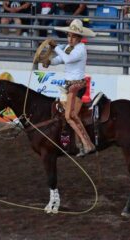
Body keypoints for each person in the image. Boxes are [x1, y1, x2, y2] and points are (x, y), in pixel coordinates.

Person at [42, 19, 96, 157]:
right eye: (69, 35)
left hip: (76, 86)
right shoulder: (68, 48)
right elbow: (59, 60)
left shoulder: (80, 49)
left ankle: (88, 144)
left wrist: (56, 48)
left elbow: (67, 59)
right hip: (69, 85)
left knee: (70, 115)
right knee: (65, 114)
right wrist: (49, 62)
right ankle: (78, 144)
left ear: (79, 38)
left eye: (73, 36)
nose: (70, 39)